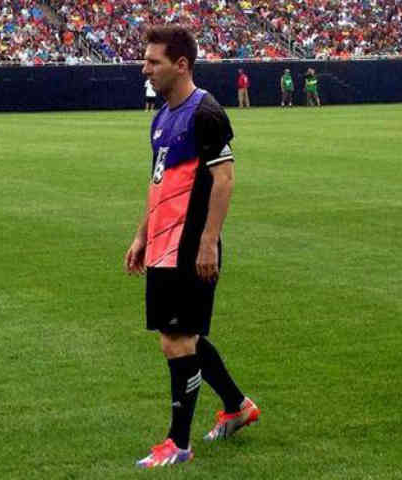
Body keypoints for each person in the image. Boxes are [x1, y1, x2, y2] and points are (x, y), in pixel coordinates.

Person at [125, 25, 260, 470]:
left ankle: (178, 443)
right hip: (163, 242)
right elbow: (158, 181)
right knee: (183, 337)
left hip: (190, 244)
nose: (144, 68)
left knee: (176, 340)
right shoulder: (161, 116)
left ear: (180, 65)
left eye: (153, 61)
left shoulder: (206, 112)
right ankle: (238, 406)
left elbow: (224, 179)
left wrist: (207, 243)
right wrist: (142, 235)